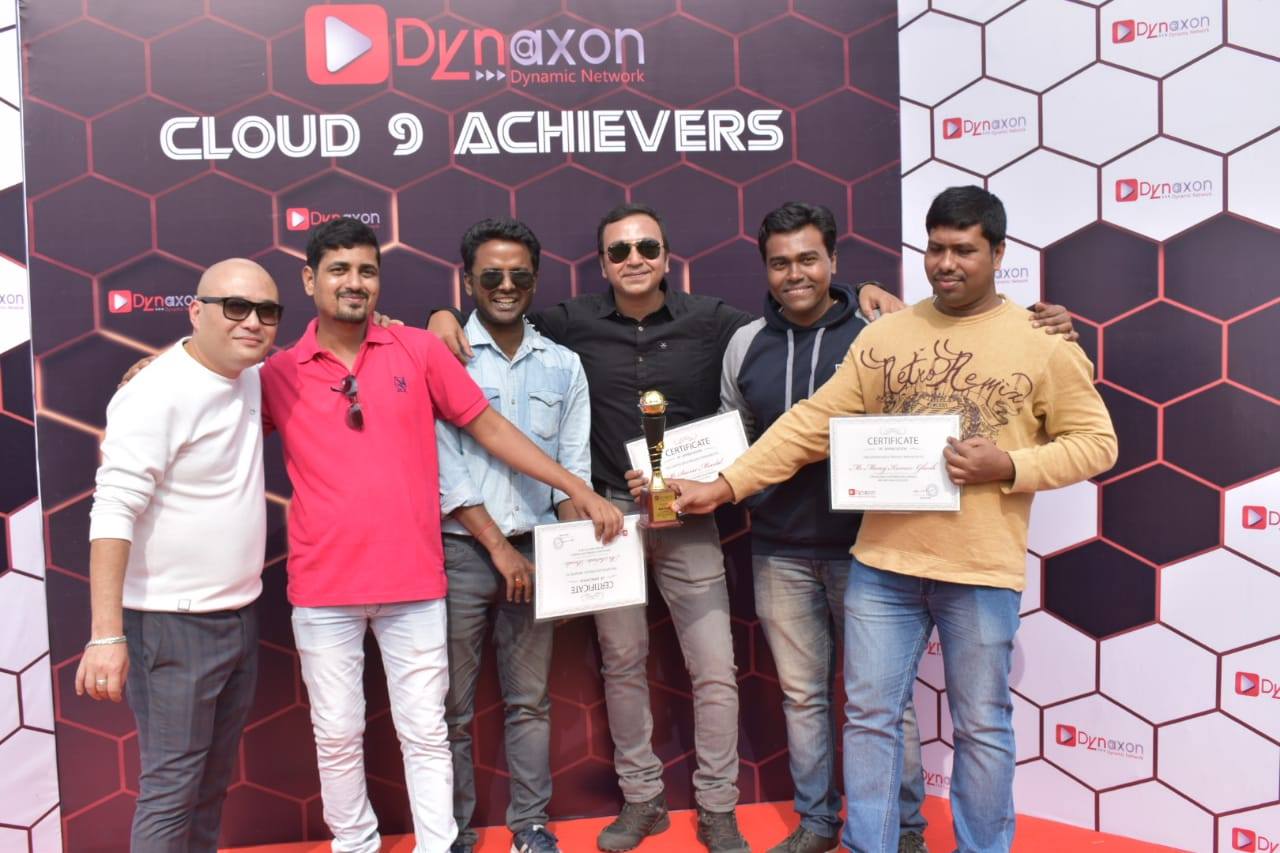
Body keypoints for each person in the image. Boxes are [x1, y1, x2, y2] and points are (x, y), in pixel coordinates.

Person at [672, 187, 1117, 853]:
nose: (947, 263)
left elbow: (1098, 444)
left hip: (979, 569)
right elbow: (810, 424)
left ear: (998, 254)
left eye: (964, 249)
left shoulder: (1042, 342)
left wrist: (1009, 465)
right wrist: (726, 484)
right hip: (882, 566)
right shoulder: (885, 336)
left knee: (982, 727)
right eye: (936, 248)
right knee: (871, 720)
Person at [261, 217, 621, 853]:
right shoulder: (277, 372)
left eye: (367, 270)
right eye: (339, 270)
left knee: (426, 731)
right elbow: (212, 390)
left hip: (416, 583)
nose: (354, 283)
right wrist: (168, 361)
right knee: (337, 734)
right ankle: (355, 845)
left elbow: (491, 430)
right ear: (309, 280)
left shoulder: (419, 350)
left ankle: (440, 844)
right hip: (322, 588)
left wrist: (578, 489)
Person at [78, 259, 282, 852]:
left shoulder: (251, 376)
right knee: (171, 791)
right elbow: (112, 510)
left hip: (238, 615)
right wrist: (105, 636)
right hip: (170, 625)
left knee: (209, 787)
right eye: (235, 307)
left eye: (267, 311)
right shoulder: (156, 392)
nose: (252, 322)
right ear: (196, 312)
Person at [436, 219, 591, 853]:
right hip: (461, 553)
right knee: (449, 709)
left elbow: (573, 472)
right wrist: (497, 549)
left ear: (535, 279)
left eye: (519, 275)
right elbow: (444, 468)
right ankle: (453, 833)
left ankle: (530, 826)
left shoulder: (564, 364)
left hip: (536, 551)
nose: (506, 285)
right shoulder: (441, 355)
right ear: (467, 281)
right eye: (491, 275)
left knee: (530, 702)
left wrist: (574, 566)